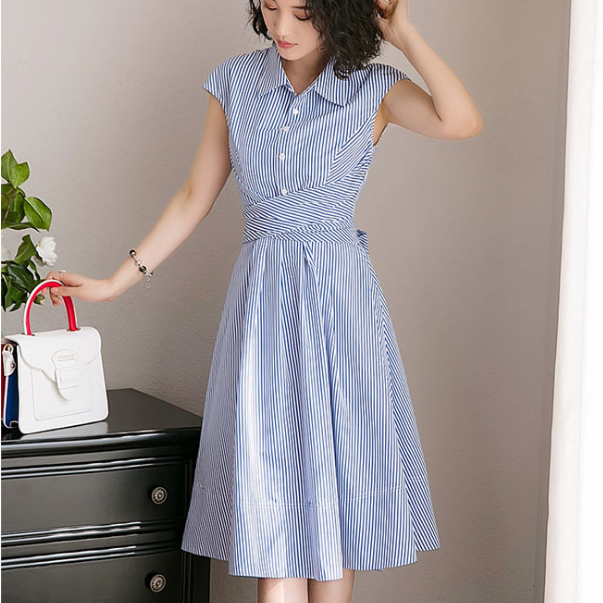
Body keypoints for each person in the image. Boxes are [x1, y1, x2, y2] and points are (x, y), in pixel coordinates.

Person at [46, 1, 482, 601]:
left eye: (302, 12)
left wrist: (402, 33)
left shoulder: (374, 88)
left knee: (335, 499)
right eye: (271, 7)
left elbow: (461, 120)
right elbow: (195, 194)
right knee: (271, 498)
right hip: (264, 310)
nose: (281, 27)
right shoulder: (235, 82)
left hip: (342, 310)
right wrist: (114, 282)